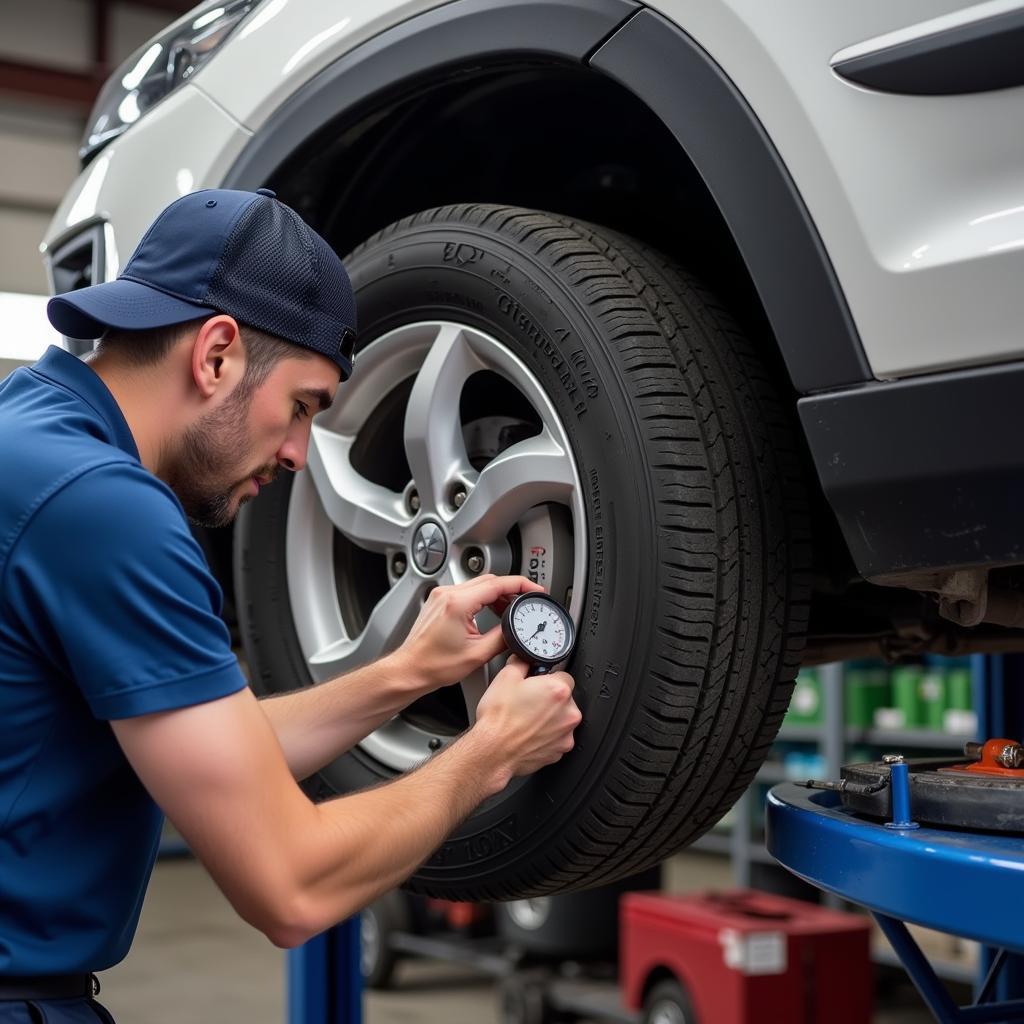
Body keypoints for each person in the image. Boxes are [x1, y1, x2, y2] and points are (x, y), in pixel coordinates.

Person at [0, 188, 581, 1022]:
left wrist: (402, 674)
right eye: (302, 407)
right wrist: (491, 751)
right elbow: (289, 886)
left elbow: (206, 751)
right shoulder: (104, 507)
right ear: (217, 355)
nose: (301, 454)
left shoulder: (32, 435)